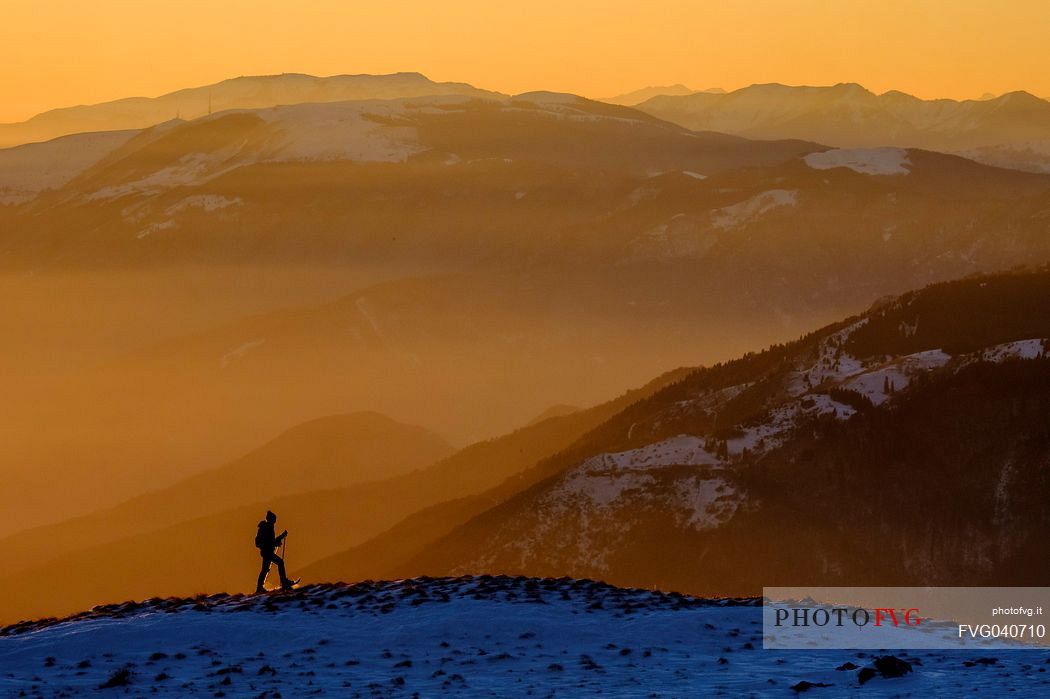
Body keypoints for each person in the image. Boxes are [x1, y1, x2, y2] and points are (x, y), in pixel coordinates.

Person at [255, 510, 295, 592]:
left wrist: (277, 542)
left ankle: (260, 587)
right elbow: (271, 541)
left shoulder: (266, 527)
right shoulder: (268, 528)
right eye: (274, 519)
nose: (275, 521)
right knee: (280, 562)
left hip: (266, 552)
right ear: (271, 519)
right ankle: (283, 582)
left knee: (265, 569)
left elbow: (270, 541)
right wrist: (281, 536)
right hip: (268, 552)